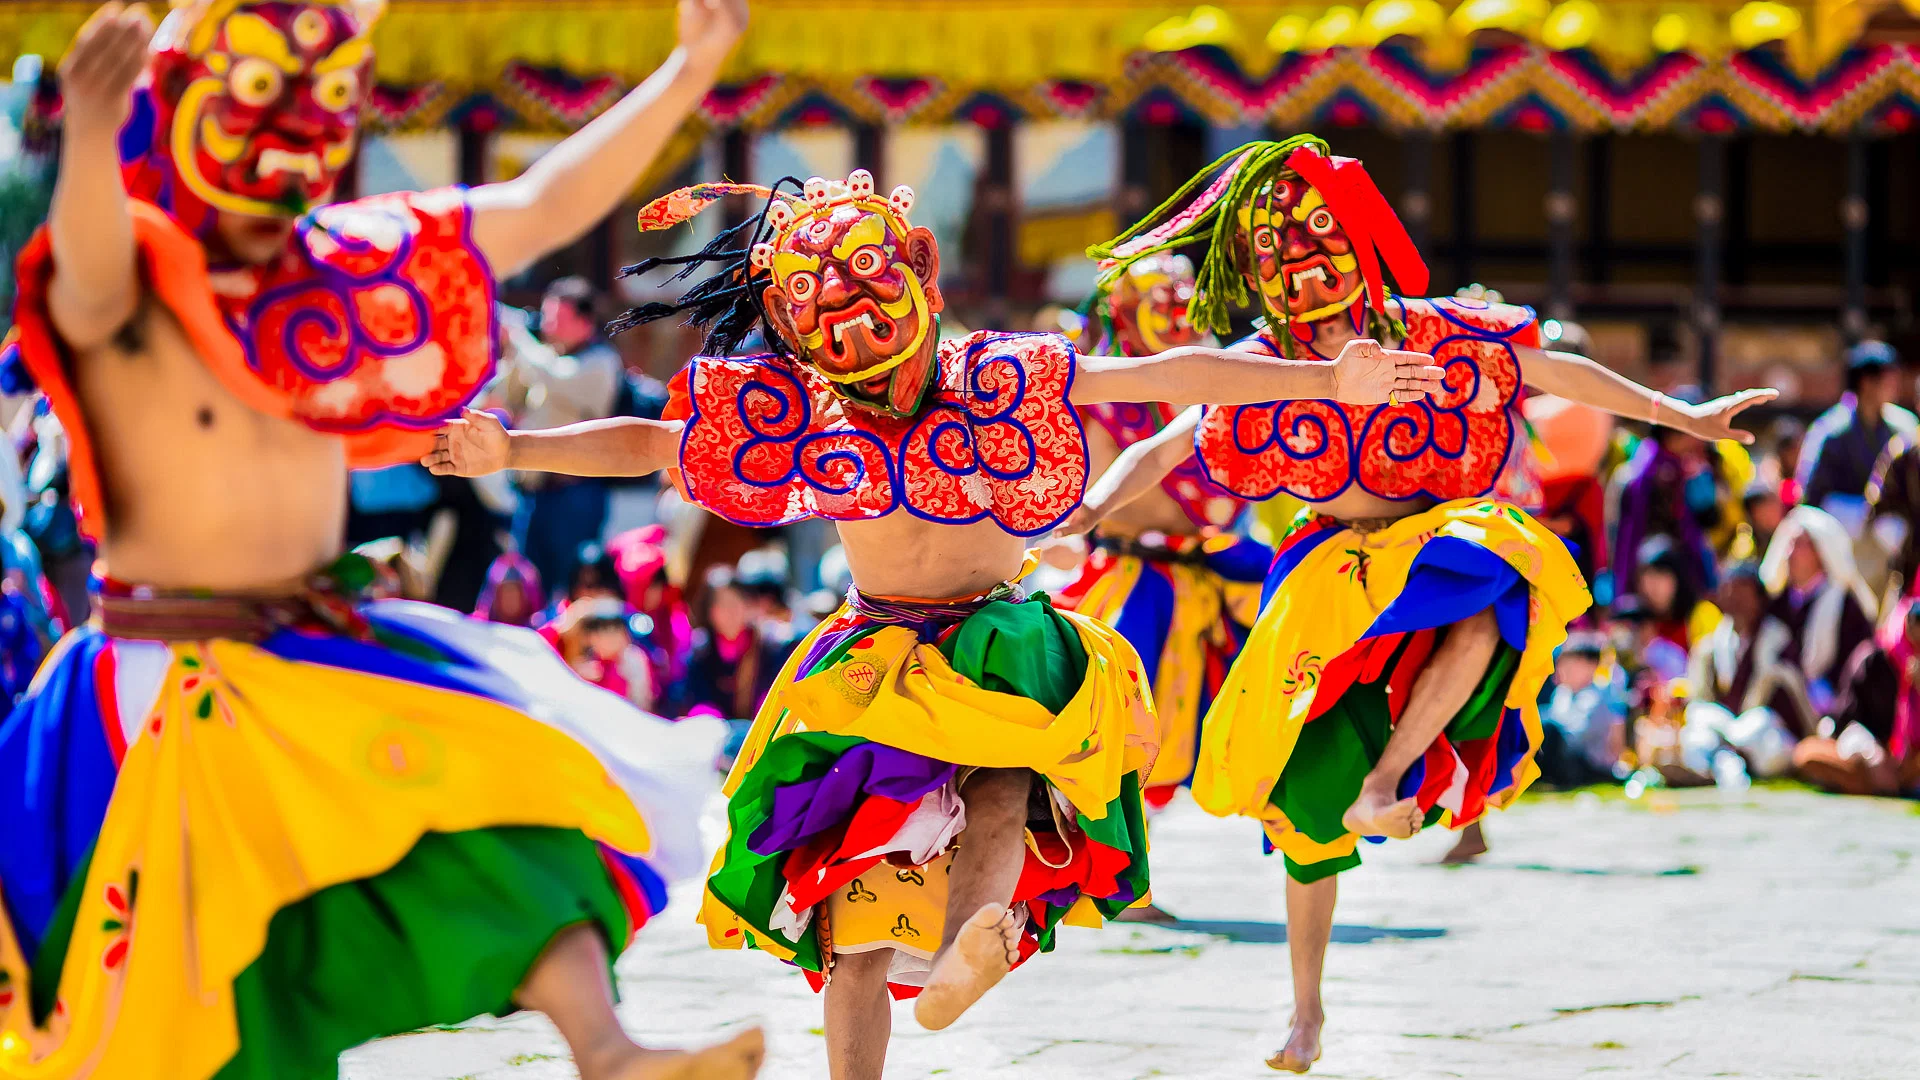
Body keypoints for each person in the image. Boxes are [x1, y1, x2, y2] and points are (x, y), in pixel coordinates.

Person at [424, 163, 1447, 1079]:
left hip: (999, 635)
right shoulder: (802, 409)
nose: (856, 321)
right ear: (789, 321)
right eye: (823, 306)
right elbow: (652, 442)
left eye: (873, 283)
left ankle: (969, 942)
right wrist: (511, 451)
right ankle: (905, 1012)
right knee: (850, 899)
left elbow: (1165, 376)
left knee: (1004, 778)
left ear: (919, 268)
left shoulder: (997, 377)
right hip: (875, 651)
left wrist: (1326, 379)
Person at [0, 3, 764, 1078]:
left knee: (507, 808)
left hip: (312, 656)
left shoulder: (347, 268)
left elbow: (541, 205)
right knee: (188, 1005)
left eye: (321, 97)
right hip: (153, 686)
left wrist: (689, 71)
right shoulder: (132, 285)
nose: (290, 130)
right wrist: (87, 132)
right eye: (260, 93)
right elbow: (80, 270)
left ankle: (608, 1050)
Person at [1071, 135, 1772, 1074]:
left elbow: (1553, 373)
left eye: (1321, 250)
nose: (1308, 284)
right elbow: (1164, 438)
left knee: (1494, 577)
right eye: (1284, 262)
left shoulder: (1431, 330)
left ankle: (1387, 780)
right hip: (1326, 570)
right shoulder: (1264, 361)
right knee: (1301, 798)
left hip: (1431, 544)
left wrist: (1680, 415)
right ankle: (1307, 1012)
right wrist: (1086, 509)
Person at [1053, 254, 1270, 923]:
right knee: (1123, 730)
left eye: (1183, 299)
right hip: (1129, 585)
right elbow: (1086, 497)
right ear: (1125, 310)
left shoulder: (1203, 391)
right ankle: (1115, 880)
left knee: (1187, 728)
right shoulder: (1102, 399)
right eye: (1160, 299)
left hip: (1205, 580)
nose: (1177, 310)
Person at [498, 277, 626, 601]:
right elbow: (504, 396)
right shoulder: (542, 358)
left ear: (585, 322)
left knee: (571, 588)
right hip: (533, 494)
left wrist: (518, 337)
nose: (547, 325)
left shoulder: (601, 361)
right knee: (526, 590)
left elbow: (556, 376)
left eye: (556, 317)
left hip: (574, 495)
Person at [1678, 563, 1813, 784]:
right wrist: (1725, 726)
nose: (1735, 599)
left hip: (1766, 731)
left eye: (1743, 591)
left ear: (1759, 599)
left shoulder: (1777, 641)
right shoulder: (1711, 648)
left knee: (1763, 737)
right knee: (1696, 739)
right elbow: (1700, 700)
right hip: (1722, 731)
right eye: (1729, 590)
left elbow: (1795, 698)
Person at [1760, 505, 1878, 718]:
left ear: (1821, 551)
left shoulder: (1846, 605)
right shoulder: (1777, 604)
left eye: (1799, 544)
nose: (1790, 553)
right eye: (1789, 544)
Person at [1792, 603, 1920, 796]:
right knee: (1808, 756)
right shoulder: (1875, 657)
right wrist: (1876, 753)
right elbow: (1848, 718)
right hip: (1865, 744)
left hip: (1905, 764)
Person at [1799, 340, 1916, 521]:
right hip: (1840, 526)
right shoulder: (1832, 431)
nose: (1896, 385)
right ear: (1866, 382)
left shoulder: (1904, 426)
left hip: (1891, 527)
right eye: (1889, 378)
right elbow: (1812, 495)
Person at [1535, 631, 1625, 788]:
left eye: (1567, 665)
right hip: (1567, 758)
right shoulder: (1563, 693)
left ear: (1589, 665)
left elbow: (1576, 737)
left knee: (1548, 728)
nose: (1560, 670)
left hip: (1590, 766)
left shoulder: (1600, 694)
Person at [473, 551, 543, 627]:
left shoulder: (535, 631)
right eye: (506, 593)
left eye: (515, 594)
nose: (510, 600)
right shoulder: (479, 625)